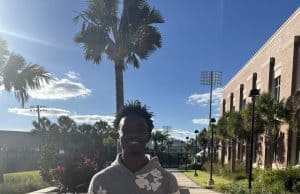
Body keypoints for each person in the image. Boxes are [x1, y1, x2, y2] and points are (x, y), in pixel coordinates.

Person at [88, 101, 179, 194]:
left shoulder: (167, 181)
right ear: (118, 135)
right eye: (127, 129)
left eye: (140, 130)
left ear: (148, 136)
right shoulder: (100, 181)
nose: (134, 134)